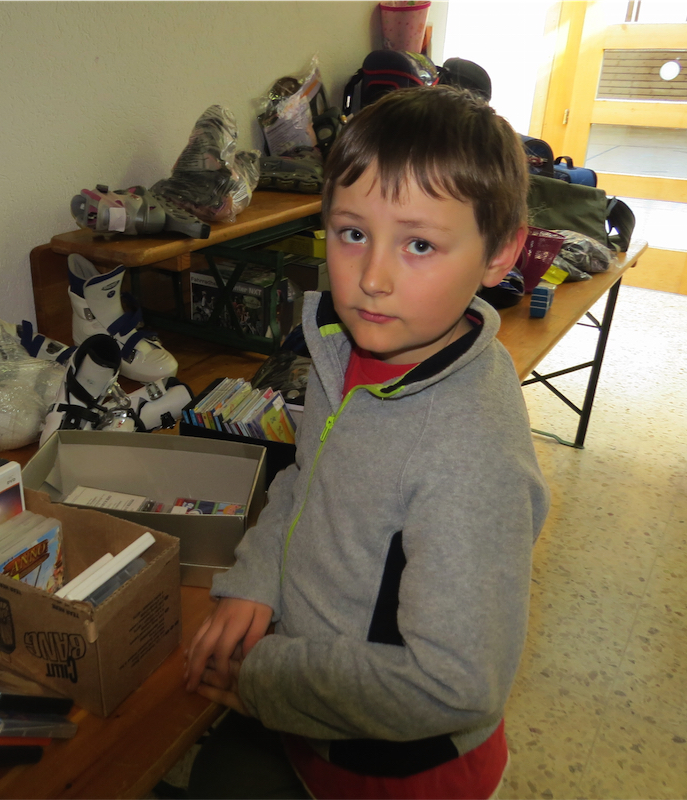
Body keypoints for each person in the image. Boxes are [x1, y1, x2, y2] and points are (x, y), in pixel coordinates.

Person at [183, 85, 550, 800]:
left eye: (420, 244)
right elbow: (307, 478)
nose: (372, 280)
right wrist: (258, 578)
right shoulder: (344, 350)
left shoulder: (471, 454)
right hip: (312, 721)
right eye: (353, 234)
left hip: (398, 776)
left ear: (500, 252)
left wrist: (266, 677)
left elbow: (454, 684)